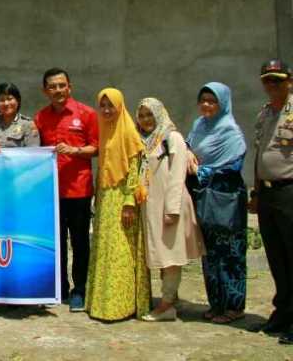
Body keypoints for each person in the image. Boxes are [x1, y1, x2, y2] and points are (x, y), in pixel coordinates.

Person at [34, 68, 99, 312]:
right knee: (56, 243)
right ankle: (59, 288)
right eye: (52, 86)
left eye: (62, 85)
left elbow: (97, 147)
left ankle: (79, 290)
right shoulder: (40, 118)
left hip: (79, 191)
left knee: (80, 242)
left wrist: (75, 151)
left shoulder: (87, 114)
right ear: (45, 91)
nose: (58, 90)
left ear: (69, 86)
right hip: (50, 192)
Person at [136, 98, 204, 322]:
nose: (146, 120)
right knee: (161, 253)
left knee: (171, 254)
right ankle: (170, 299)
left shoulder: (171, 137)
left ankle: (166, 306)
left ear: (160, 114)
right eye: (142, 115)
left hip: (168, 204)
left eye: (150, 115)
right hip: (150, 205)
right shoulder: (144, 140)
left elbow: (177, 175)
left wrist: (172, 209)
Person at [85, 88, 150, 321]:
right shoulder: (104, 130)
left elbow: (135, 170)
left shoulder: (129, 132)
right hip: (105, 197)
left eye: (110, 105)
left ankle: (121, 305)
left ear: (120, 106)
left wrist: (130, 202)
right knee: (105, 249)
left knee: (121, 251)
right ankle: (102, 303)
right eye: (102, 105)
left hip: (123, 198)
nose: (106, 110)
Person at [186, 82, 248, 325]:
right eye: (203, 100)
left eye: (212, 101)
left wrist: (201, 170)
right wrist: (188, 152)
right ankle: (216, 303)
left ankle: (234, 306)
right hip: (203, 196)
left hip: (226, 196)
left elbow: (234, 165)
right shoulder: (199, 125)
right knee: (209, 252)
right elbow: (189, 146)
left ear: (222, 103)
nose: (206, 105)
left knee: (230, 252)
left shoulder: (229, 130)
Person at [249, 59, 293, 342]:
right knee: (277, 258)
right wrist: (255, 193)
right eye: (267, 81)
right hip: (267, 194)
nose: (272, 86)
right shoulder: (264, 114)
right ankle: (283, 314)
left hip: (289, 192)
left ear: (289, 81)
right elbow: (260, 154)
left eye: (277, 80)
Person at [0, 83, 41, 148]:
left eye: (10, 99)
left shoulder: (28, 124)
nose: (6, 103)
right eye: (1, 100)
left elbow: (33, 152)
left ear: (18, 100)